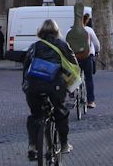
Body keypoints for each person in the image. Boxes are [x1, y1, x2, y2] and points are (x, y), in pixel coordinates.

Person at [22, 18, 80, 161]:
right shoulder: (62, 45)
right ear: (56, 31)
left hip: (34, 85)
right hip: (55, 85)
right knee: (60, 111)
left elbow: (25, 68)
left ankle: (32, 146)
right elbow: (74, 64)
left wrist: (25, 86)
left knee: (35, 115)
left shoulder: (34, 46)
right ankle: (65, 144)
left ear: (40, 32)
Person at [82, 13, 100, 107]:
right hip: (87, 57)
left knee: (74, 78)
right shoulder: (89, 30)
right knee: (88, 78)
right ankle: (90, 101)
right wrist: (97, 51)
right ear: (86, 20)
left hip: (75, 58)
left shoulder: (70, 30)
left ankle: (73, 94)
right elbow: (96, 44)